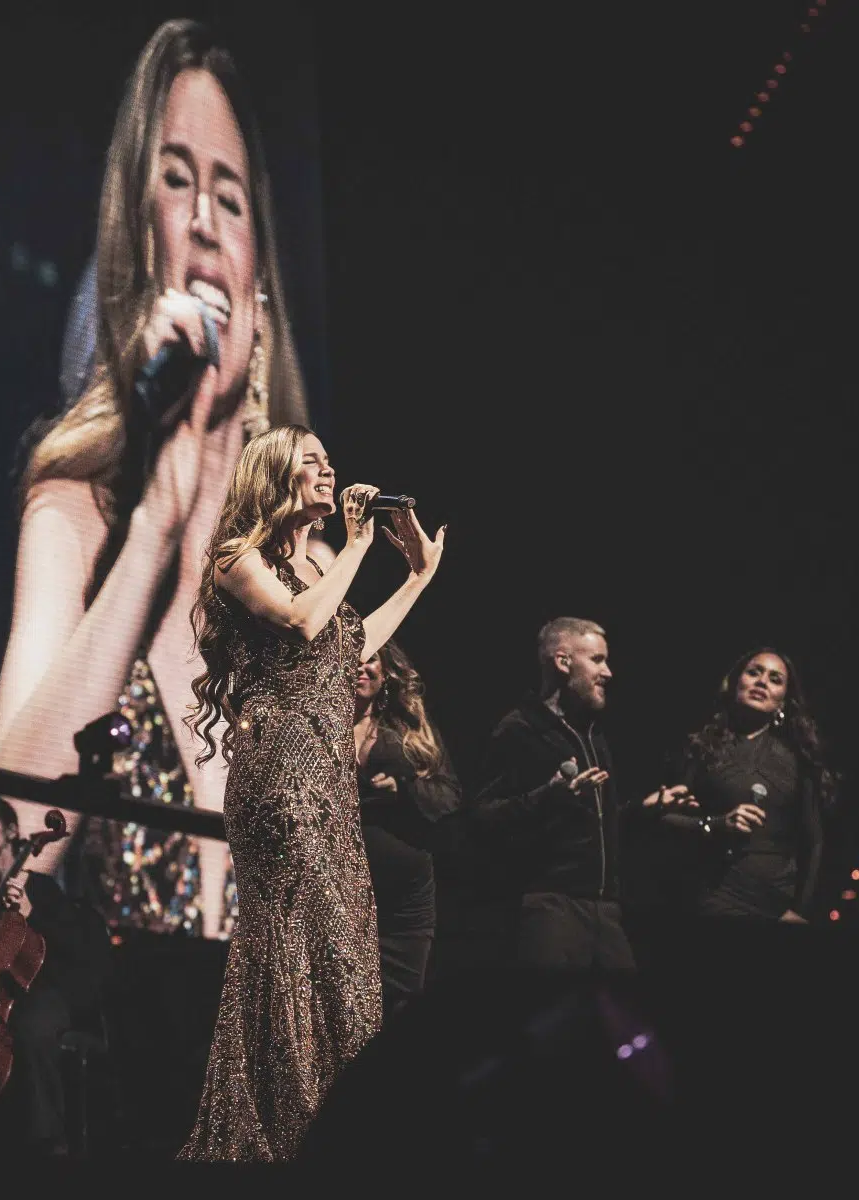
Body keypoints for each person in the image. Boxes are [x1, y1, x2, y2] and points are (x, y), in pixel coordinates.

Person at [0, 19, 311, 938]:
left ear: (259, 291)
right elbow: (16, 841)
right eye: (175, 180)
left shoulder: (306, 559)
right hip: (131, 1050)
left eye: (230, 195)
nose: (205, 218)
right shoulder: (74, 515)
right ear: (137, 238)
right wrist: (159, 520)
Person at [177, 423, 447, 1161]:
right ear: (274, 475)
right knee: (292, 944)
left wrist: (418, 575)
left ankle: (334, 1128)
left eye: (331, 461)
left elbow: (352, 642)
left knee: (339, 948)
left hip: (328, 783)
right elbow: (301, 626)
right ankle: (280, 1132)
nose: (330, 472)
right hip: (280, 780)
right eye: (313, 463)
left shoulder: (307, 570)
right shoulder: (239, 558)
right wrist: (358, 544)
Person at [461, 619, 696, 972]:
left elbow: (598, 821)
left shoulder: (592, 734)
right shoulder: (520, 730)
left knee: (627, 1019)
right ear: (562, 662)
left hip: (605, 909)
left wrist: (645, 810)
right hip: (551, 907)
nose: (609, 672)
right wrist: (549, 795)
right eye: (598, 660)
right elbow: (482, 815)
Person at [0, 795, 111, 1155]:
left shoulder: (40, 888)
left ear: (11, 830)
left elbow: (69, 948)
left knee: (29, 1029)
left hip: (39, 988)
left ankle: (48, 1142)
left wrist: (31, 911)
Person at [661, 648, 833, 926]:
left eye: (775, 679)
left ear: (783, 703)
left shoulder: (801, 760)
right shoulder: (700, 748)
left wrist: (801, 910)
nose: (762, 682)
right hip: (712, 896)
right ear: (735, 684)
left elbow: (814, 841)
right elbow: (665, 818)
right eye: (754, 672)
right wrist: (716, 824)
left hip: (777, 904)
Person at [353, 642, 461, 1017]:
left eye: (370, 660)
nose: (361, 668)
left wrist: (405, 790)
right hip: (339, 891)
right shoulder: (320, 728)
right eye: (351, 660)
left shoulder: (410, 731)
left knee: (400, 1008)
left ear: (385, 673)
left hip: (404, 907)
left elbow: (449, 797)